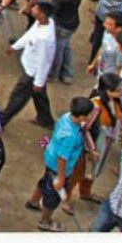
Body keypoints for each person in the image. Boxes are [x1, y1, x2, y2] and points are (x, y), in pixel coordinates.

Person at [27, 96, 95, 232]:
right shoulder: (70, 136)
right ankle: (45, 221)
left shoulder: (67, 117)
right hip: (58, 167)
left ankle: (33, 202)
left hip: (50, 158)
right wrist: (61, 178)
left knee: (44, 181)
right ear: (82, 117)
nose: (91, 116)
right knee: (52, 197)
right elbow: (62, 158)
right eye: (90, 114)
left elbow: (83, 130)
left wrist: (91, 148)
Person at [0, 0, 56, 130]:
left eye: (35, 8)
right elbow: (29, 36)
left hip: (32, 72)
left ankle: (1, 121)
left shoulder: (45, 38)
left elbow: (44, 61)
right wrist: (15, 47)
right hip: (30, 66)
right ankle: (45, 119)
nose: (32, 8)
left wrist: (39, 81)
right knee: (39, 95)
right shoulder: (41, 23)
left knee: (18, 97)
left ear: (42, 14)